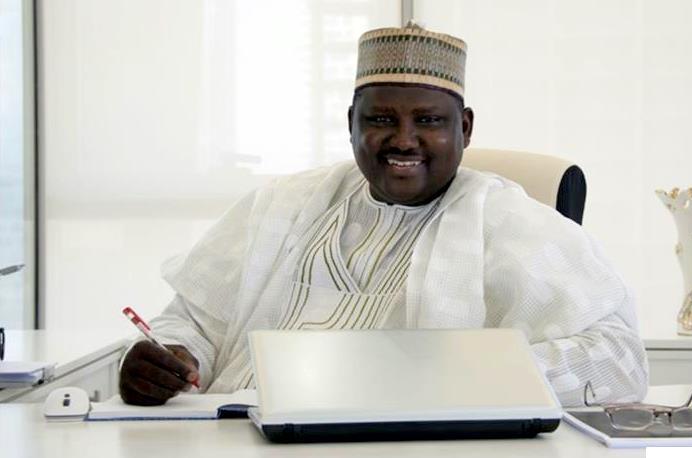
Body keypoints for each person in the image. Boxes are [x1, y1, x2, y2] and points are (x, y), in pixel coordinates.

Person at [119, 23, 648, 407]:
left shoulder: (513, 223)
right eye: (381, 119)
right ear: (351, 122)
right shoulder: (282, 204)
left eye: (429, 121)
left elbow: (618, 360)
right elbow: (193, 322)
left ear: (464, 128)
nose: (404, 140)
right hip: (241, 435)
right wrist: (171, 358)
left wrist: (456, 379)